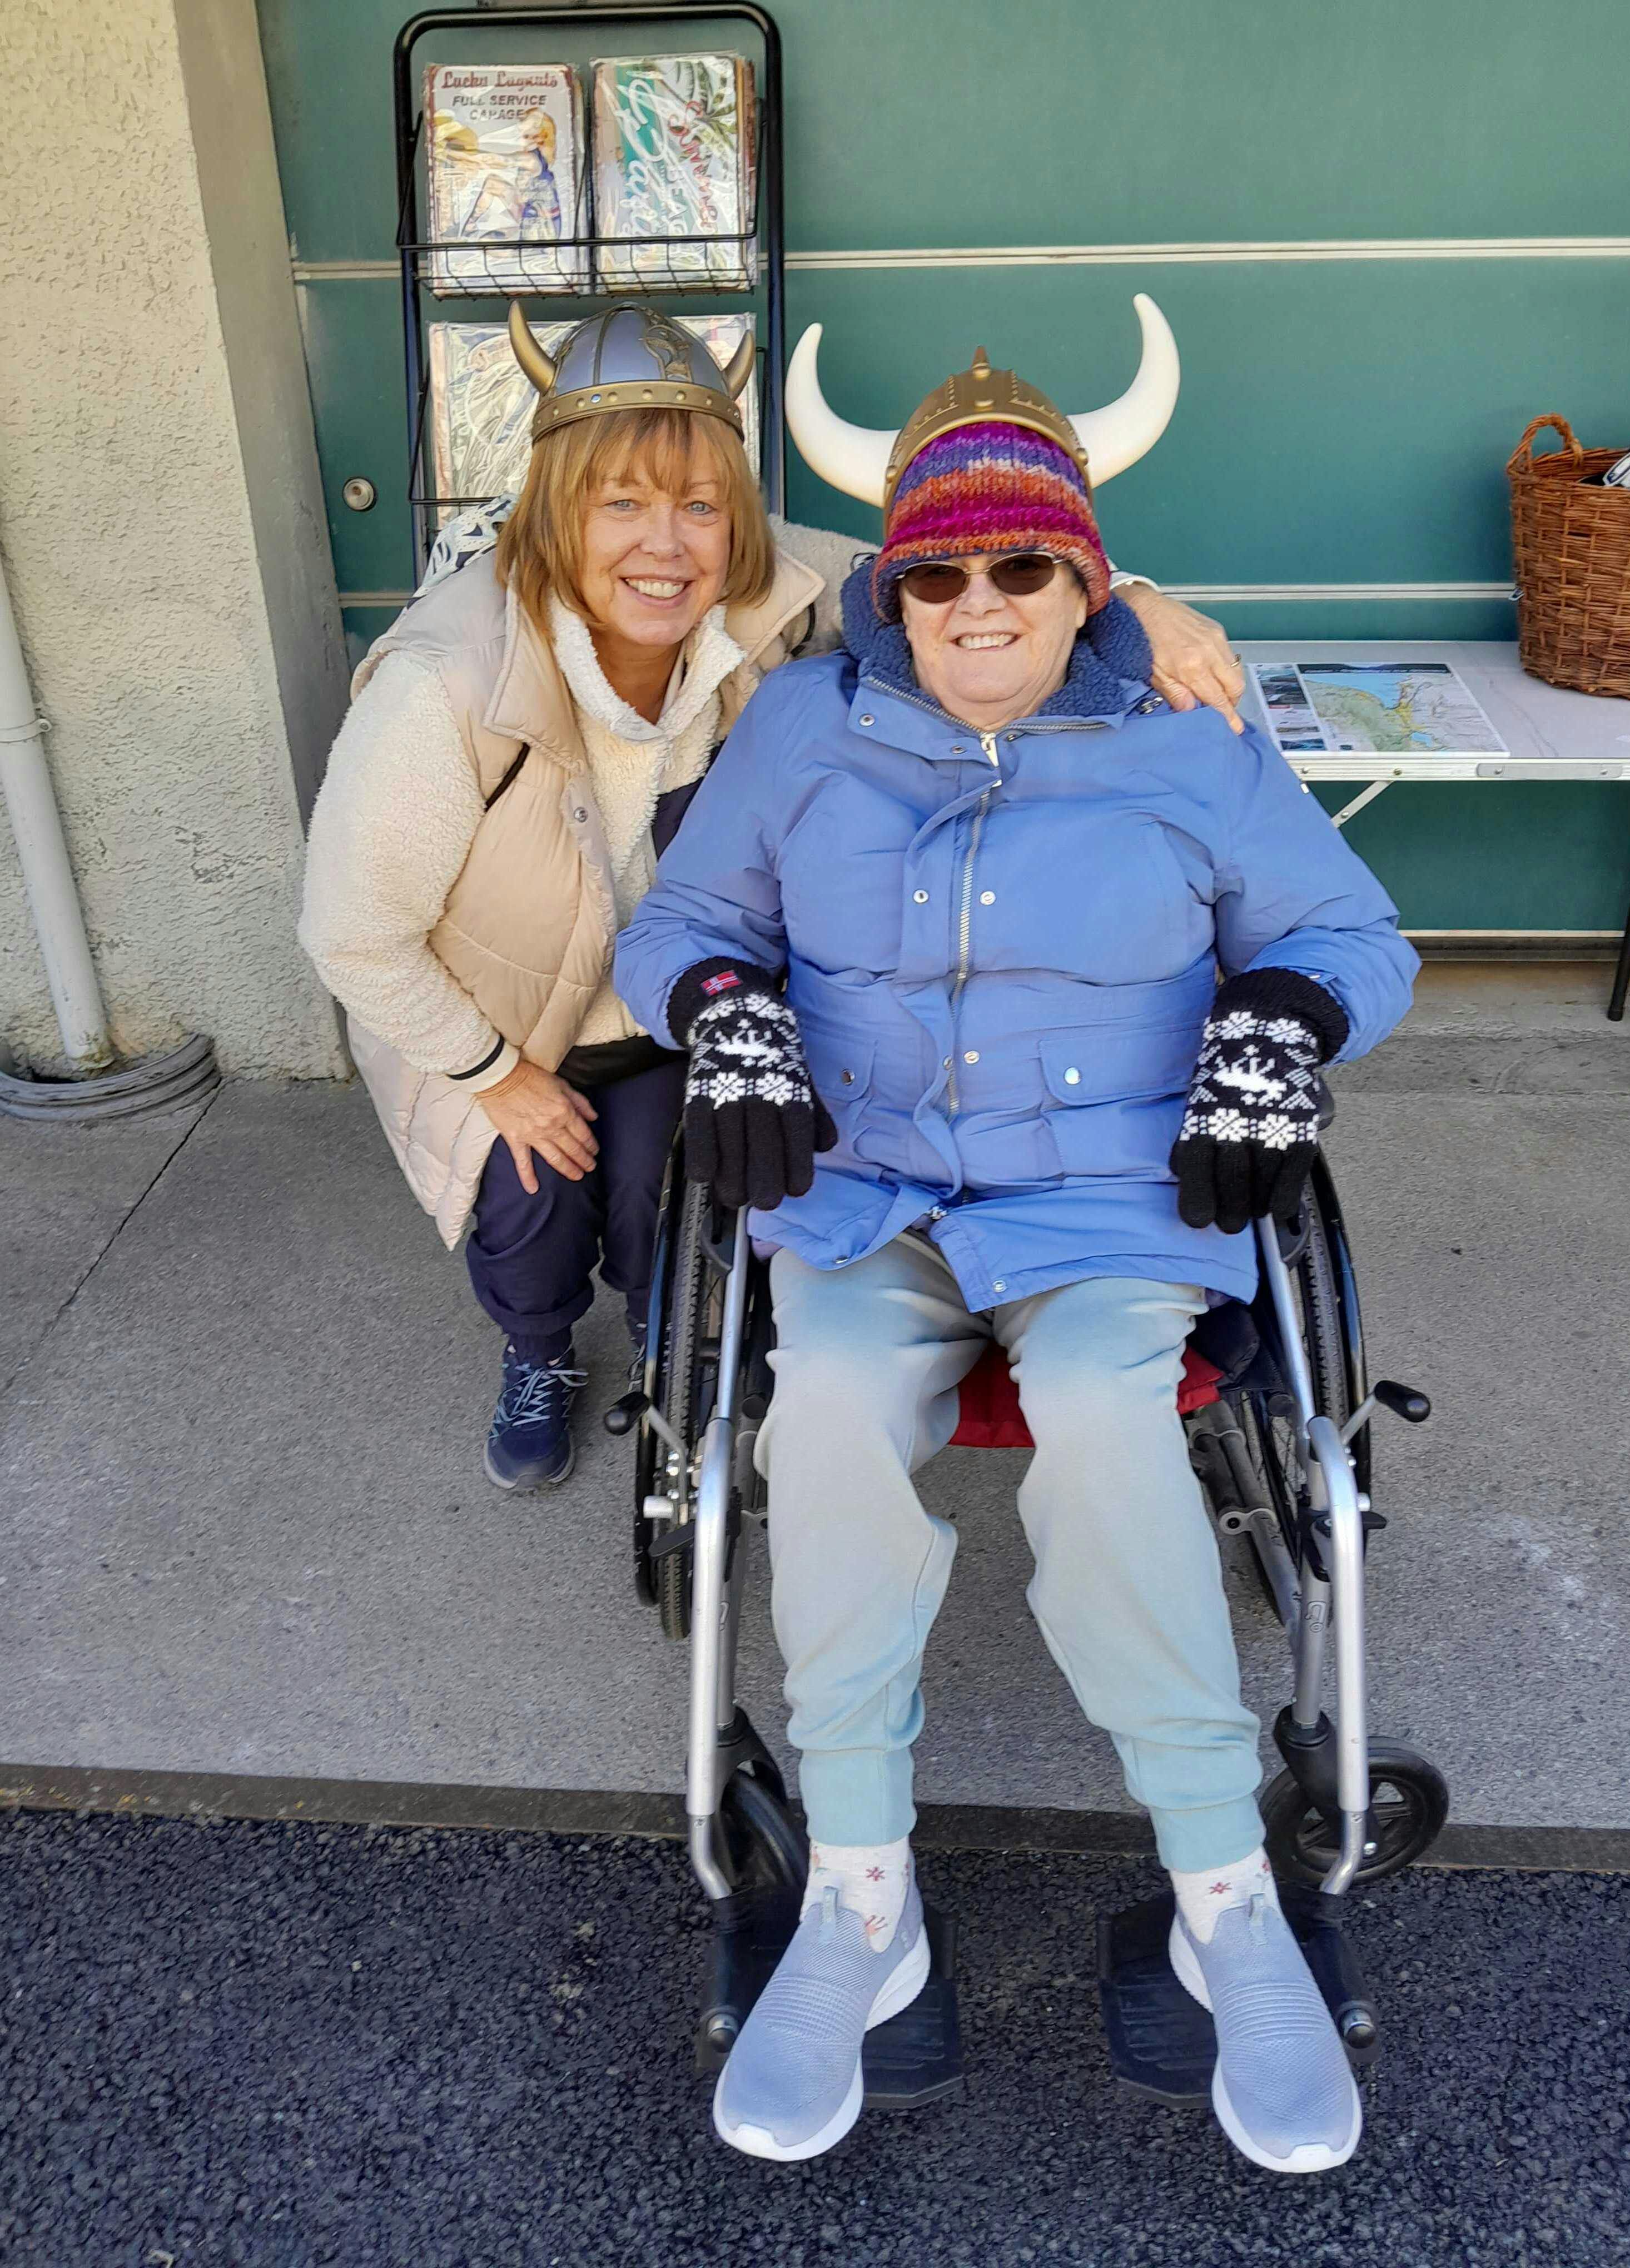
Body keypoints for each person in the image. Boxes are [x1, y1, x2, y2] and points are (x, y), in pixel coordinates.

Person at [615, 312, 1418, 2171]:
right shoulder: (801, 727)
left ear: (1086, 581)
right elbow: (679, 924)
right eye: (939, 575)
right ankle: (862, 1891)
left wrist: (1281, 1017)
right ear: (893, 590)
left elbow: (1353, 936)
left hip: (1110, 1201)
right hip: (867, 1184)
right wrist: (724, 1011)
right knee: (821, 1416)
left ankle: (1222, 1897)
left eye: (1022, 569)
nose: (978, 606)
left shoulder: (1189, 741)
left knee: (1108, 1422)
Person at [300, 299, 1248, 1494]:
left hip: (677, 1000)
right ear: (555, 508)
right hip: (502, 1019)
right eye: (621, 504)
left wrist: (1135, 600)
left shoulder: (776, 587)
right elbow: (351, 934)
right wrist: (496, 1075)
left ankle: (678, 1356)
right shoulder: (446, 682)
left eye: (701, 506)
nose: (667, 544)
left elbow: (966, 566)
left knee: (674, 1192)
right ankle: (537, 1350)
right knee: (531, 1204)